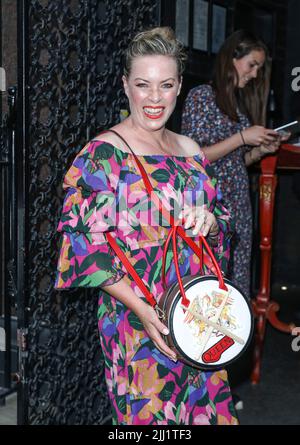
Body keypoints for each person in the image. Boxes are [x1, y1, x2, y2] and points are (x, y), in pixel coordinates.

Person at [55, 27, 238, 425]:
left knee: (208, 414)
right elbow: (84, 248)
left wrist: (208, 221)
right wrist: (143, 311)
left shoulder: (190, 151)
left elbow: (222, 223)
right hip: (138, 321)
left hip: (199, 315)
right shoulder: (104, 155)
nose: (154, 98)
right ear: (126, 86)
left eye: (166, 85)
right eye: (143, 84)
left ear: (178, 88)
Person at [181, 29, 290, 299]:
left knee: (236, 283)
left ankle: (236, 339)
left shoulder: (235, 106)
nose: (255, 74)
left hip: (238, 206)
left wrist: (260, 151)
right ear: (233, 57)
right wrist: (242, 136)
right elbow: (196, 157)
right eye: (252, 65)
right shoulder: (201, 96)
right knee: (211, 283)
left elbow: (235, 161)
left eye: (258, 68)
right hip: (212, 206)